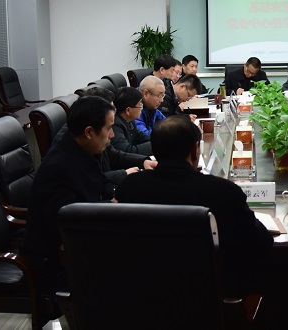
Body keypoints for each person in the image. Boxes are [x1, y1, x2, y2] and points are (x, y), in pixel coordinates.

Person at [114, 115, 273, 297]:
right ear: (195, 150)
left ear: (153, 150)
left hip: (143, 295)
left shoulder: (129, 187)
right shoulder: (223, 191)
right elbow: (259, 244)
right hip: (210, 297)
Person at [21, 96, 117, 303]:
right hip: (53, 263)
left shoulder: (80, 148)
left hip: (76, 250)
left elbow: (101, 181)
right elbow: (68, 218)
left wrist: (117, 193)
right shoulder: (59, 166)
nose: (112, 135)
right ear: (89, 132)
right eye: (109, 128)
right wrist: (111, 206)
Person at [111, 86, 152, 155]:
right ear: (128, 110)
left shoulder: (129, 120)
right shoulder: (115, 125)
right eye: (140, 105)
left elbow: (140, 136)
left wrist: (159, 140)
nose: (141, 108)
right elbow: (128, 151)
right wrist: (153, 145)